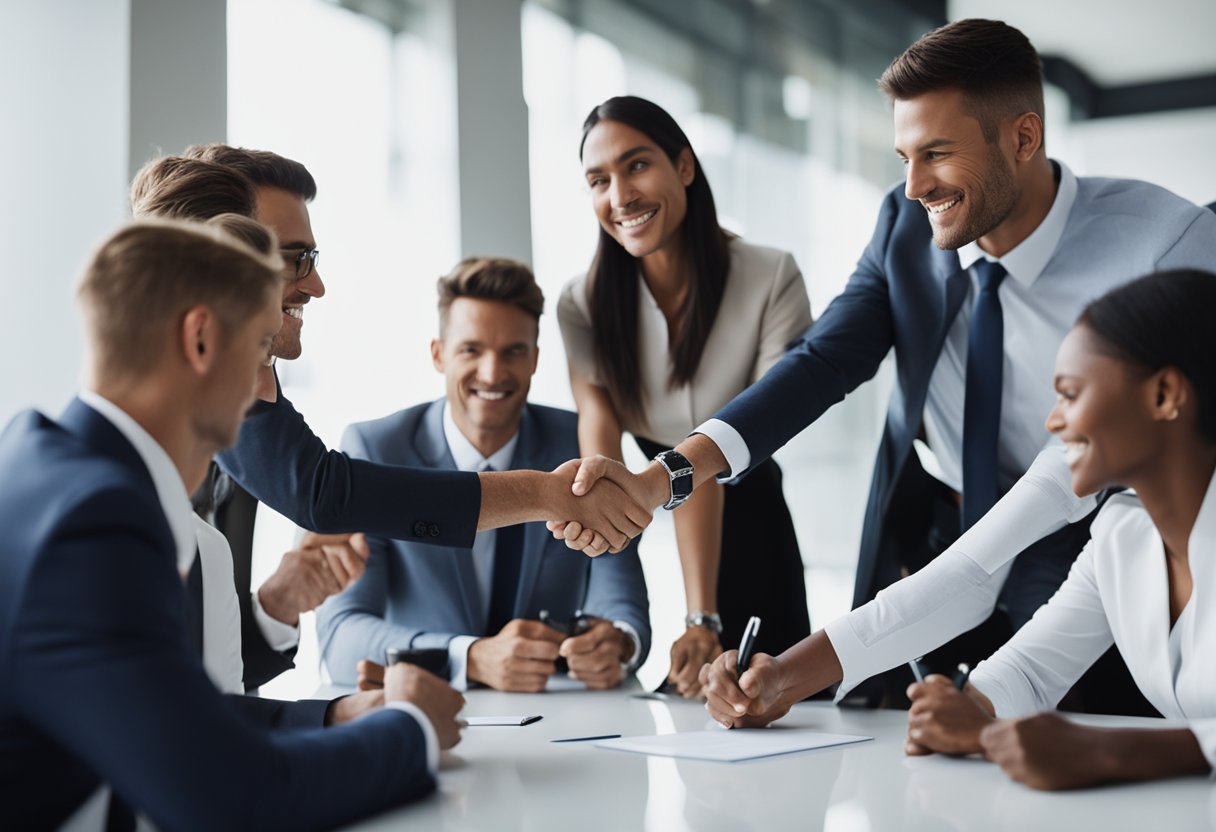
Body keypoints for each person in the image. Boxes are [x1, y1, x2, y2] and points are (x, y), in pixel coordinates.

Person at [566, 18, 1216, 713]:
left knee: (1102, 726)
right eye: (903, 155)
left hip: (1114, 531)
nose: (912, 187)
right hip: (949, 529)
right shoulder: (907, 227)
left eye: (936, 152)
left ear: (1023, 138)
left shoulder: (1168, 246)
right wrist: (672, 472)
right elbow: (822, 362)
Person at [0, 219, 464, 829]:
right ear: (199, 340)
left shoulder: (38, 460)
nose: (269, 385)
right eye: (262, 348)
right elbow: (233, 800)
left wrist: (340, 715)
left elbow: (164, 714)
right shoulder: (96, 525)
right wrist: (413, 729)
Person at [903, 268, 1216, 790]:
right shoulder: (1121, 536)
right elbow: (1030, 669)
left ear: (1163, 395)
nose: (1052, 422)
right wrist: (966, 707)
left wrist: (1109, 750)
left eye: (1070, 394)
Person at [556, 96, 812, 697]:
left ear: (685, 167)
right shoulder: (582, 304)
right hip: (642, 512)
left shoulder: (772, 275)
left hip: (750, 514)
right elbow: (601, 453)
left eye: (637, 165)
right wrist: (605, 536)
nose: (620, 197)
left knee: (775, 706)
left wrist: (703, 616)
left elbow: (735, 437)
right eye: (599, 180)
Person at [319, 257, 650, 692]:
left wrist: (618, 643)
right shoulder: (375, 451)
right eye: (471, 350)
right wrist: (469, 657)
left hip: (564, 721)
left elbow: (621, 594)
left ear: (534, 359)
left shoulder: (582, 445)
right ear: (438, 354)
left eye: (513, 351)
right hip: (425, 715)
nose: (492, 373)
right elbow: (340, 635)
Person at [131, 154, 377, 726]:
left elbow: (206, 683)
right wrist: (365, 727)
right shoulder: (92, 504)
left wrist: (274, 607)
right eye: (296, 259)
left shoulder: (231, 459)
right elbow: (161, 732)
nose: (315, 285)